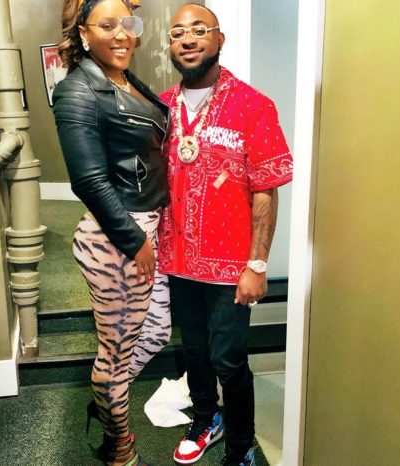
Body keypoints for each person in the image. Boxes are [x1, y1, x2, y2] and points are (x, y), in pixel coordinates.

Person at [158, 4, 294, 466]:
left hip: (230, 267)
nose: (188, 39)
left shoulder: (253, 106)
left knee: (230, 361)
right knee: (193, 350)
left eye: (199, 30)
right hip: (177, 260)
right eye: (178, 33)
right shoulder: (160, 107)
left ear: (220, 39)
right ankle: (205, 418)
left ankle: (240, 446)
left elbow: (265, 191)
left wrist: (257, 265)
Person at [52, 1, 171, 464]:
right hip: (117, 239)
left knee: (156, 332)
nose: (122, 34)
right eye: (107, 25)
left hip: (145, 229)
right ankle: (118, 445)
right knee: (116, 355)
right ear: (84, 33)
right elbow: (88, 180)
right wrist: (135, 241)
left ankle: (106, 398)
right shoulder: (78, 89)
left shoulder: (125, 80)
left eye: (128, 23)